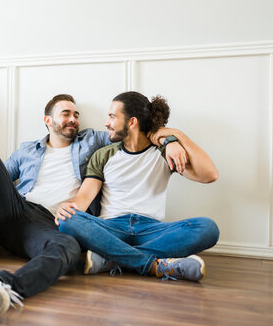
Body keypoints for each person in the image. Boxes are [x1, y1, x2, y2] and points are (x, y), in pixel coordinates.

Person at [0, 94, 111, 318]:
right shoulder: (27, 150)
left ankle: (4, 287)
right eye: (66, 114)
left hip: (51, 225)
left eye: (76, 115)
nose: (73, 119)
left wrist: (169, 139)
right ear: (48, 120)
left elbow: (133, 134)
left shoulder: (92, 140)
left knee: (69, 248)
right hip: (18, 209)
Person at [55, 91, 220, 282]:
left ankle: (114, 260)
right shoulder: (104, 155)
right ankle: (155, 266)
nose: (106, 123)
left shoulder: (164, 153)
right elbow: (83, 198)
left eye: (112, 117)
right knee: (68, 220)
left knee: (208, 228)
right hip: (110, 229)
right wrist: (69, 208)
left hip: (151, 230)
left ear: (131, 122)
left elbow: (210, 175)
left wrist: (177, 135)